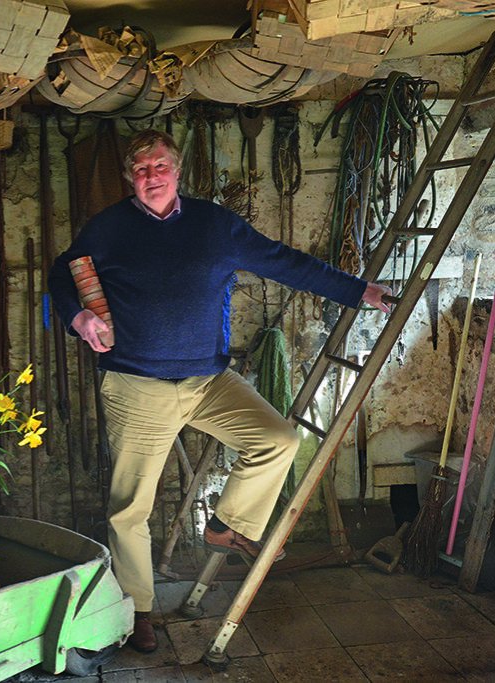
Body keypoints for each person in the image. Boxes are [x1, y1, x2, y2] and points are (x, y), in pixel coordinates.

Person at [48, 129, 391, 654]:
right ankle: (138, 608)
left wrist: (358, 290)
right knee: (129, 508)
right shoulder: (109, 227)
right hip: (137, 384)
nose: (151, 177)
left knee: (279, 439)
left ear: (177, 170)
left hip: (208, 380)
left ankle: (228, 525)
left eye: (159, 166)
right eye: (140, 170)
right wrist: (77, 316)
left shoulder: (215, 225)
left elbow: (285, 262)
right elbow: (61, 270)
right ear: (128, 178)